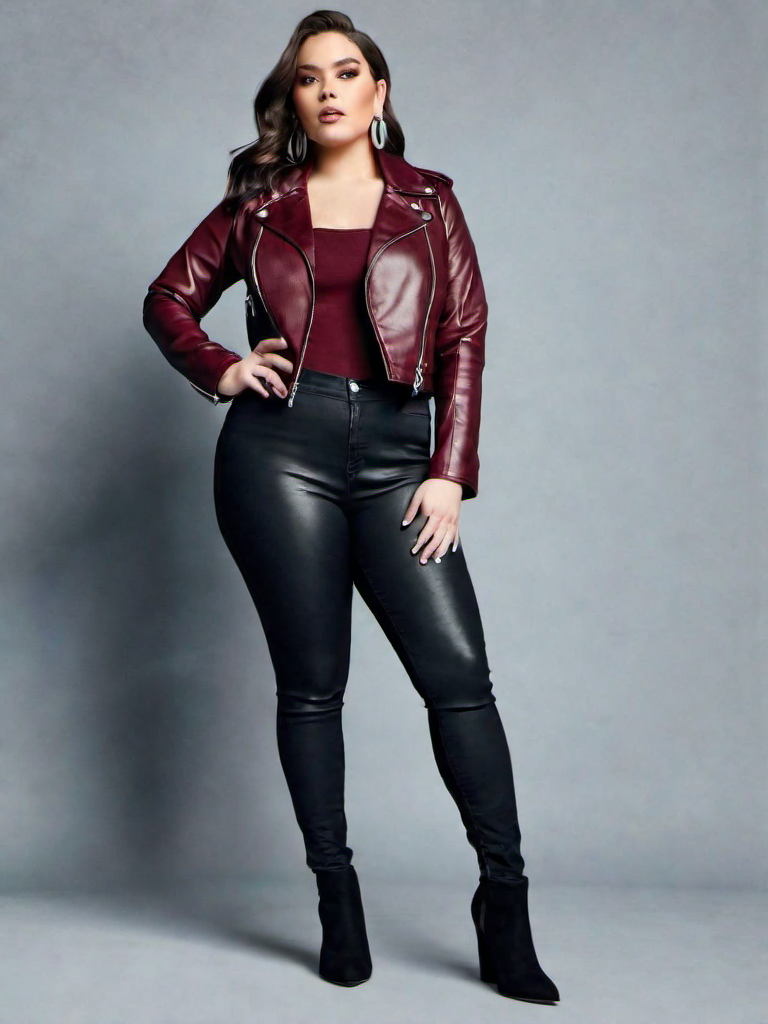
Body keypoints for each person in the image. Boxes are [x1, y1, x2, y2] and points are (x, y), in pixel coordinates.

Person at [142, 11, 559, 1005]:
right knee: (312, 685)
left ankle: (505, 901)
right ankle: (337, 896)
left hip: (400, 456)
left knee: (459, 678)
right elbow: (167, 299)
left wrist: (449, 470)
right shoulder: (258, 204)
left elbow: (464, 334)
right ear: (292, 100)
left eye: (346, 72)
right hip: (278, 453)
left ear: (379, 91)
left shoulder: (429, 201)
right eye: (308, 77)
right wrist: (222, 367)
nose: (327, 89)